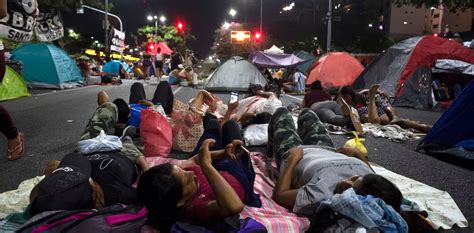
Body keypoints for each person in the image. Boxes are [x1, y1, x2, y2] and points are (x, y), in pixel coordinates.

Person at [267, 107, 404, 218]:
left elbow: (279, 195)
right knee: (307, 113)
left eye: (348, 189)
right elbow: (370, 172)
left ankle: (269, 151)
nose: (345, 182)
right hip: (326, 149)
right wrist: (357, 154)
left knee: (281, 112)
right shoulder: (369, 181)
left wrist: (292, 160)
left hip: (296, 153)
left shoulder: (321, 196)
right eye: (354, 178)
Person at [138, 120, 260, 231]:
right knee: (231, 125)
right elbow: (234, 207)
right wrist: (206, 166)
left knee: (213, 124)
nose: (191, 173)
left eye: (184, 171)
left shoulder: (174, 176)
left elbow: (196, 159)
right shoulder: (197, 206)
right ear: (180, 202)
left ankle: (214, 120)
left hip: (221, 165)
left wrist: (224, 153)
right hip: (238, 173)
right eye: (187, 180)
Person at [339, 85, 431, 133]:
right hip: (368, 115)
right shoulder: (346, 105)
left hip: (375, 110)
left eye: (346, 96)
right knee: (394, 122)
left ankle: (422, 126)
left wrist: (378, 92)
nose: (345, 99)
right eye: (344, 97)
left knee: (392, 118)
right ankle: (421, 126)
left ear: (351, 94)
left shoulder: (359, 96)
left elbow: (372, 95)